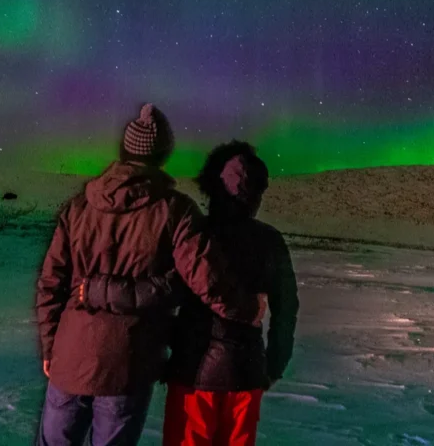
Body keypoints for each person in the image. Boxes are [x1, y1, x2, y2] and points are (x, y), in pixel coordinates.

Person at [35, 105, 259, 446]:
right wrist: (247, 309)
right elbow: (206, 277)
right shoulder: (175, 210)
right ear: (163, 154)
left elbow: (51, 283)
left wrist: (51, 346)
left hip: (69, 359)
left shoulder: (78, 207)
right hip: (128, 364)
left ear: (124, 150)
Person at [84, 141, 299, 446]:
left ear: (212, 185)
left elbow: (163, 293)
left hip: (193, 370)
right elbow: (286, 308)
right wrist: (274, 364)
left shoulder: (195, 233)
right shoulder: (270, 241)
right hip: (246, 372)